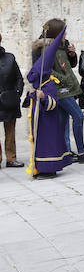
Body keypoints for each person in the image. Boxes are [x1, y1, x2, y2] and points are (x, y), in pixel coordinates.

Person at [37, 19, 84, 163]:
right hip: (60, 90)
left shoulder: (60, 46)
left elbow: (69, 65)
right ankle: (82, 152)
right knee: (79, 116)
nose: (66, 33)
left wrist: (72, 55)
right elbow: (45, 70)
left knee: (63, 121)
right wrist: (63, 79)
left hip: (68, 89)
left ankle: (64, 153)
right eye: (64, 31)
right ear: (57, 32)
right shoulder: (47, 49)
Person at [24, 28, 72, 178]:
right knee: (40, 145)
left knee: (48, 144)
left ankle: (50, 168)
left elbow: (53, 104)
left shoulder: (48, 84)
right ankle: (40, 167)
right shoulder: (38, 85)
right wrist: (31, 95)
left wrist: (43, 96)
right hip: (38, 123)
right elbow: (27, 103)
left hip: (48, 123)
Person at [0, 33, 25, 168]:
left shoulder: (9, 58)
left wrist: (16, 93)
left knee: (10, 131)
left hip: (9, 99)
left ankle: (11, 158)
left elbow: (19, 78)